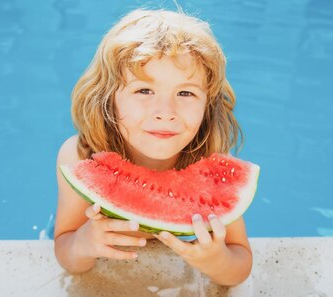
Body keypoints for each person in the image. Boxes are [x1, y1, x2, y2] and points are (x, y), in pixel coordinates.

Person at [53, 8, 252, 286]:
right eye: (144, 90)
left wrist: (216, 260)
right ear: (108, 98)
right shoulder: (80, 157)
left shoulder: (213, 165)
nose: (165, 112)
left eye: (186, 93)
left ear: (208, 106)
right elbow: (64, 249)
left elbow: (240, 263)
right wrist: (83, 243)